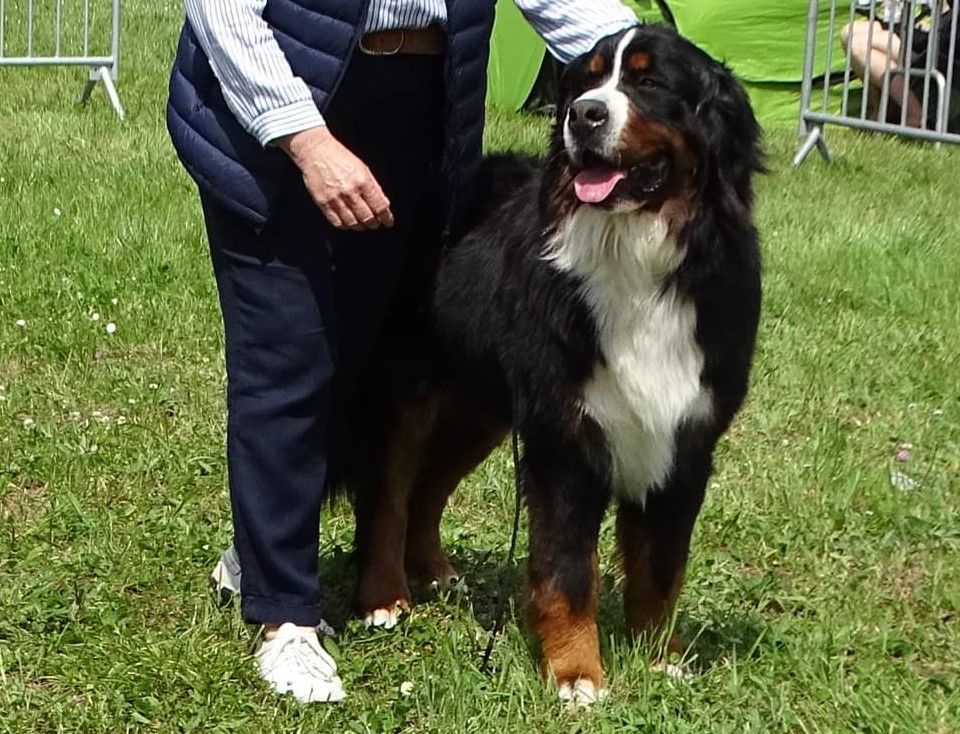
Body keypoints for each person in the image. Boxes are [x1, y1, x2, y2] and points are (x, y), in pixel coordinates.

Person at [166, 0, 638, 704]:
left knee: (367, 349)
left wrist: (669, 69)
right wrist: (307, 140)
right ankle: (286, 617)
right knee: (290, 353)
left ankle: (269, 539)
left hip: (421, 105)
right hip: (271, 95)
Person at [842, 0, 956, 127]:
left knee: (859, 47)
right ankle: (879, 108)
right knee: (849, 31)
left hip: (938, 52)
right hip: (928, 38)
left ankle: (914, 114)